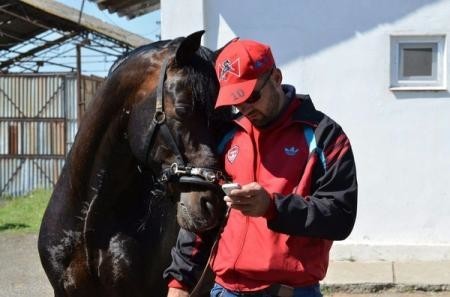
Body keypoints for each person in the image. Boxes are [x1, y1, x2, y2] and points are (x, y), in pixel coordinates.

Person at [164, 38, 358, 297]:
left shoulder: (325, 136)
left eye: (252, 96)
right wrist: (180, 281)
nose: (245, 108)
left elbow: (340, 216)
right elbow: (204, 215)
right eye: (236, 101)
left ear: (276, 78)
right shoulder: (227, 136)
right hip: (225, 290)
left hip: (289, 291)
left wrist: (272, 207)